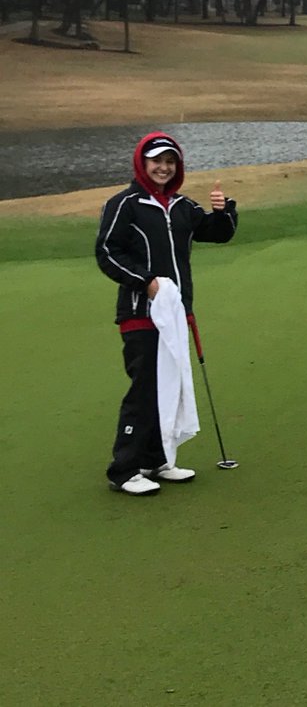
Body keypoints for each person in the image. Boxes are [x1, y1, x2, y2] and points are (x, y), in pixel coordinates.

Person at [96, 132, 238, 494]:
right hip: (140, 312)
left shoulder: (182, 206)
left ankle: (156, 460)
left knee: (169, 388)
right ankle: (124, 470)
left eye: (170, 162)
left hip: (175, 314)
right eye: (157, 161)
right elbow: (108, 253)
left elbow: (218, 233)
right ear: (142, 164)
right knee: (144, 390)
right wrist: (146, 283)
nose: (163, 167)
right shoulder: (125, 204)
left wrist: (224, 211)